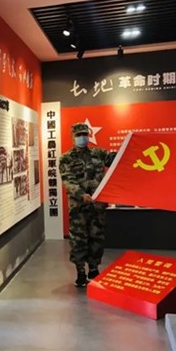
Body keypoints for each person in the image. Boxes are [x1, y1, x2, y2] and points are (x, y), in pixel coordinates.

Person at [59, 122, 116, 288]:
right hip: (79, 208)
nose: (82, 138)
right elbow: (68, 180)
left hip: (97, 206)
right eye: (78, 135)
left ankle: (93, 269)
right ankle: (80, 272)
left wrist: (130, 146)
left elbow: (117, 160)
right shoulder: (66, 158)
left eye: (84, 134)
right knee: (79, 239)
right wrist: (80, 194)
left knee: (96, 237)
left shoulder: (98, 153)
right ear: (72, 137)